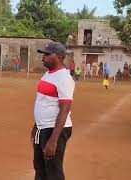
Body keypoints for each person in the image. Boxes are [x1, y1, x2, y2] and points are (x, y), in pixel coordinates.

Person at [32, 42, 75, 180]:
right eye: (43, 54)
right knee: (40, 168)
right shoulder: (48, 74)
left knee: (53, 172)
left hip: (54, 130)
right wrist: (36, 126)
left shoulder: (64, 78)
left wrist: (53, 140)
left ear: (60, 57)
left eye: (47, 54)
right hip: (42, 128)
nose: (43, 57)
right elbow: (43, 102)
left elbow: (64, 110)